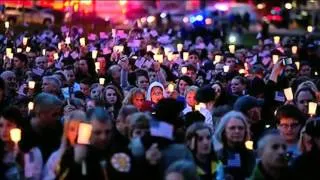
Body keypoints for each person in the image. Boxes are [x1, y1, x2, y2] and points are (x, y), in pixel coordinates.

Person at [0, 106, 43, 180]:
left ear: (19, 128)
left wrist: (22, 162)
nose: (4, 130)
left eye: (9, 125)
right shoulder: (2, 148)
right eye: (1, 125)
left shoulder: (31, 152)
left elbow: (33, 177)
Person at [213, 111, 255, 180]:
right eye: (232, 128)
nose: (237, 131)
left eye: (240, 128)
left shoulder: (253, 156)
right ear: (224, 132)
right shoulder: (216, 157)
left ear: (246, 131)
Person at [29, 93, 64, 162]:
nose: (58, 118)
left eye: (60, 114)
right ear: (39, 113)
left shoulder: (58, 127)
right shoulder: (21, 130)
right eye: (54, 114)